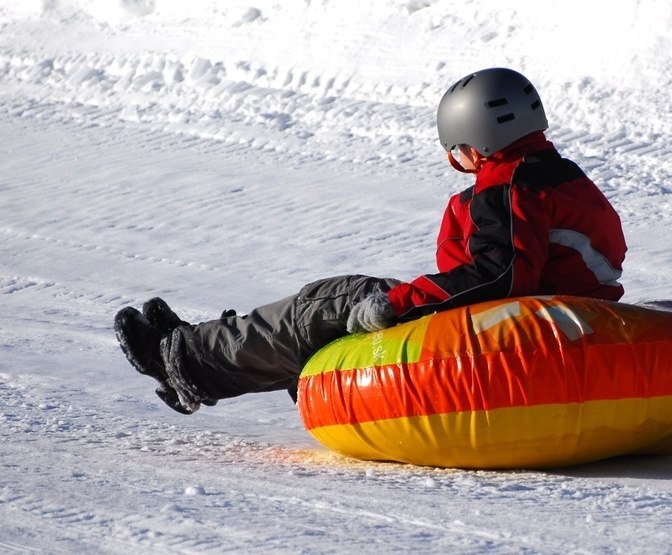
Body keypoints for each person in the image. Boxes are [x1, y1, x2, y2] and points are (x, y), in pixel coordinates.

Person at [114, 67, 628, 415]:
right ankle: (207, 345)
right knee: (342, 306)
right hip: (555, 322)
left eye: (457, 151)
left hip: (510, 334)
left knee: (329, 303)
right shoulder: (564, 178)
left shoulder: (507, 187)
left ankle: (185, 359)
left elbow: (500, 276)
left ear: (475, 142)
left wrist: (396, 303)